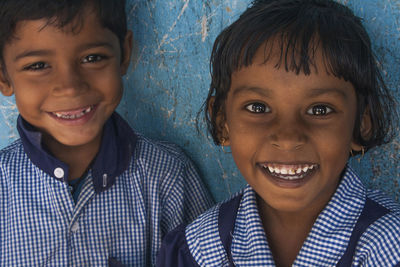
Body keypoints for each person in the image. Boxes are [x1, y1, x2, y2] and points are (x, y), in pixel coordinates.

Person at [156, 0, 400, 266]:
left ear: (361, 123)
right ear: (222, 121)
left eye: (319, 110)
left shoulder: (389, 246)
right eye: (258, 107)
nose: (288, 137)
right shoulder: (198, 251)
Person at [0, 0, 213, 266]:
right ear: (4, 76)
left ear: (124, 54)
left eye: (92, 58)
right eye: (38, 65)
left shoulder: (167, 176)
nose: (69, 87)